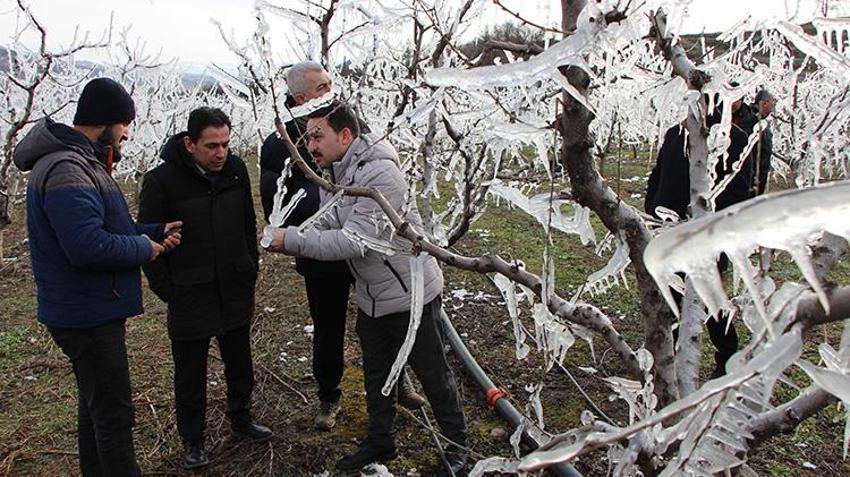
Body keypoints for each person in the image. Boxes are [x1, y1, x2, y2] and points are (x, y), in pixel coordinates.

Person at [264, 101, 468, 474]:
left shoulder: (379, 173)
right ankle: (380, 441)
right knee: (377, 375)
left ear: (345, 135)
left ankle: (457, 446)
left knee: (433, 372)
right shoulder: (335, 172)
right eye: (307, 137)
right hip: (373, 294)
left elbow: (357, 241)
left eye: (316, 136)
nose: (310, 146)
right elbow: (328, 225)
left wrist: (292, 240)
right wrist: (292, 236)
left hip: (409, 292)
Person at [13, 77, 181, 477]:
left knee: (96, 408)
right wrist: (146, 249)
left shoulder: (79, 161)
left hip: (86, 308)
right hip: (86, 313)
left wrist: (152, 231)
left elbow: (104, 226)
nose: (126, 133)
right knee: (114, 416)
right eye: (124, 123)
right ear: (105, 121)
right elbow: (87, 246)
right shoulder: (67, 168)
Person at [260, 61, 423, 431]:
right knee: (328, 325)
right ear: (301, 96)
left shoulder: (346, 123)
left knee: (383, 317)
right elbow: (278, 202)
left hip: (366, 248)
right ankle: (328, 395)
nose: (331, 91)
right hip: (320, 248)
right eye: (323, 87)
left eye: (330, 84)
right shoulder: (280, 143)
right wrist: (330, 209)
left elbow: (371, 170)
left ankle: (398, 381)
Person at [139, 107, 271, 470]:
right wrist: (169, 290)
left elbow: (247, 222)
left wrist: (249, 268)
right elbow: (149, 240)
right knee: (190, 372)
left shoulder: (235, 170)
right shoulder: (161, 182)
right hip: (189, 291)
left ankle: (241, 419)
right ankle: (193, 440)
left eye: (226, 144)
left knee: (240, 361)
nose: (221, 153)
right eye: (212, 146)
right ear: (189, 143)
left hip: (233, 284)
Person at [645, 91, 760, 377]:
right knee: (669, 295)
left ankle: (727, 354)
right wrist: (654, 210)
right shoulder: (674, 133)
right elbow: (657, 176)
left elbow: (736, 189)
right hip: (668, 234)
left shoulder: (732, 138)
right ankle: (666, 357)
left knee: (709, 296)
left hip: (707, 237)